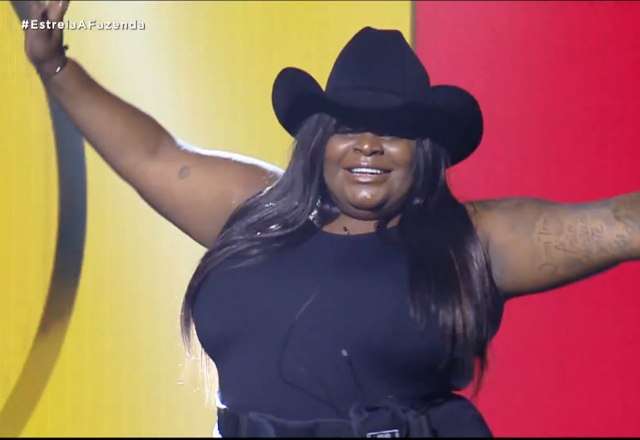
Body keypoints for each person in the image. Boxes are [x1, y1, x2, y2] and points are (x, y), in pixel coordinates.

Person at [24, 1, 640, 437]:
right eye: (348, 127)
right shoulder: (255, 211)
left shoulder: (470, 240)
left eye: (394, 131)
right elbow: (151, 155)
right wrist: (54, 63)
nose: (369, 145)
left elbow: (620, 222)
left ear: (423, 151)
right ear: (320, 140)